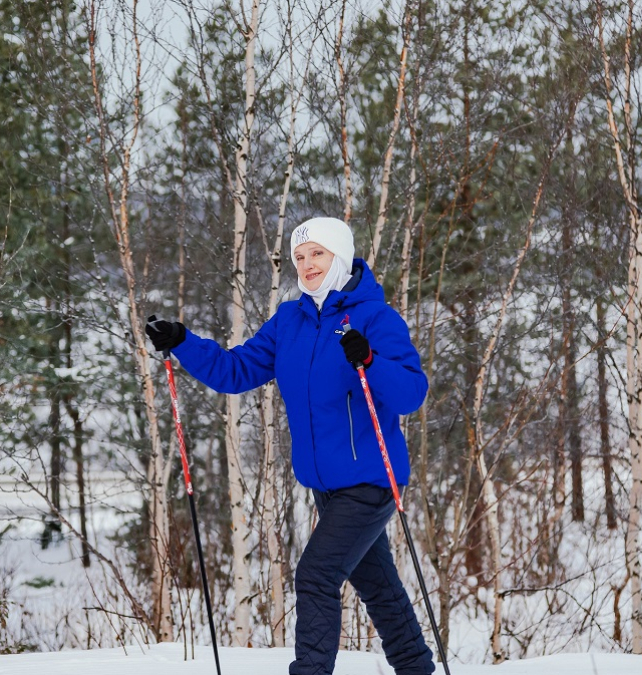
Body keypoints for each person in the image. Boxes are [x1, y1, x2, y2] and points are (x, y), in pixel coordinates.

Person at [145, 217, 435, 675]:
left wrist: (370, 360)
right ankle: (417, 669)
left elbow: (411, 393)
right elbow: (235, 372)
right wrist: (184, 342)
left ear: (339, 255)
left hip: (373, 480)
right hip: (327, 487)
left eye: (317, 253)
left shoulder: (375, 318)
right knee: (378, 586)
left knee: (316, 575)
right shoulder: (290, 321)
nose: (307, 264)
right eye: (300, 257)